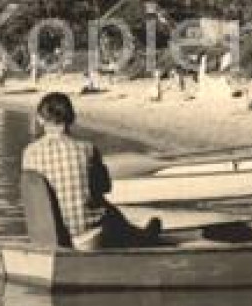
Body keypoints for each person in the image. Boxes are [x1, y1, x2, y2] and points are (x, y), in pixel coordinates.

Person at [22, 93, 160, 249]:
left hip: (52, 232)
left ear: (40, 119)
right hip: (88, 231)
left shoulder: (28, 154)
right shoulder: (87, 149)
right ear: (71, 118)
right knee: (109, 210)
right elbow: (105, 187)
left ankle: (139, 235)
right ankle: (143, 237)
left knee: (106, 209)